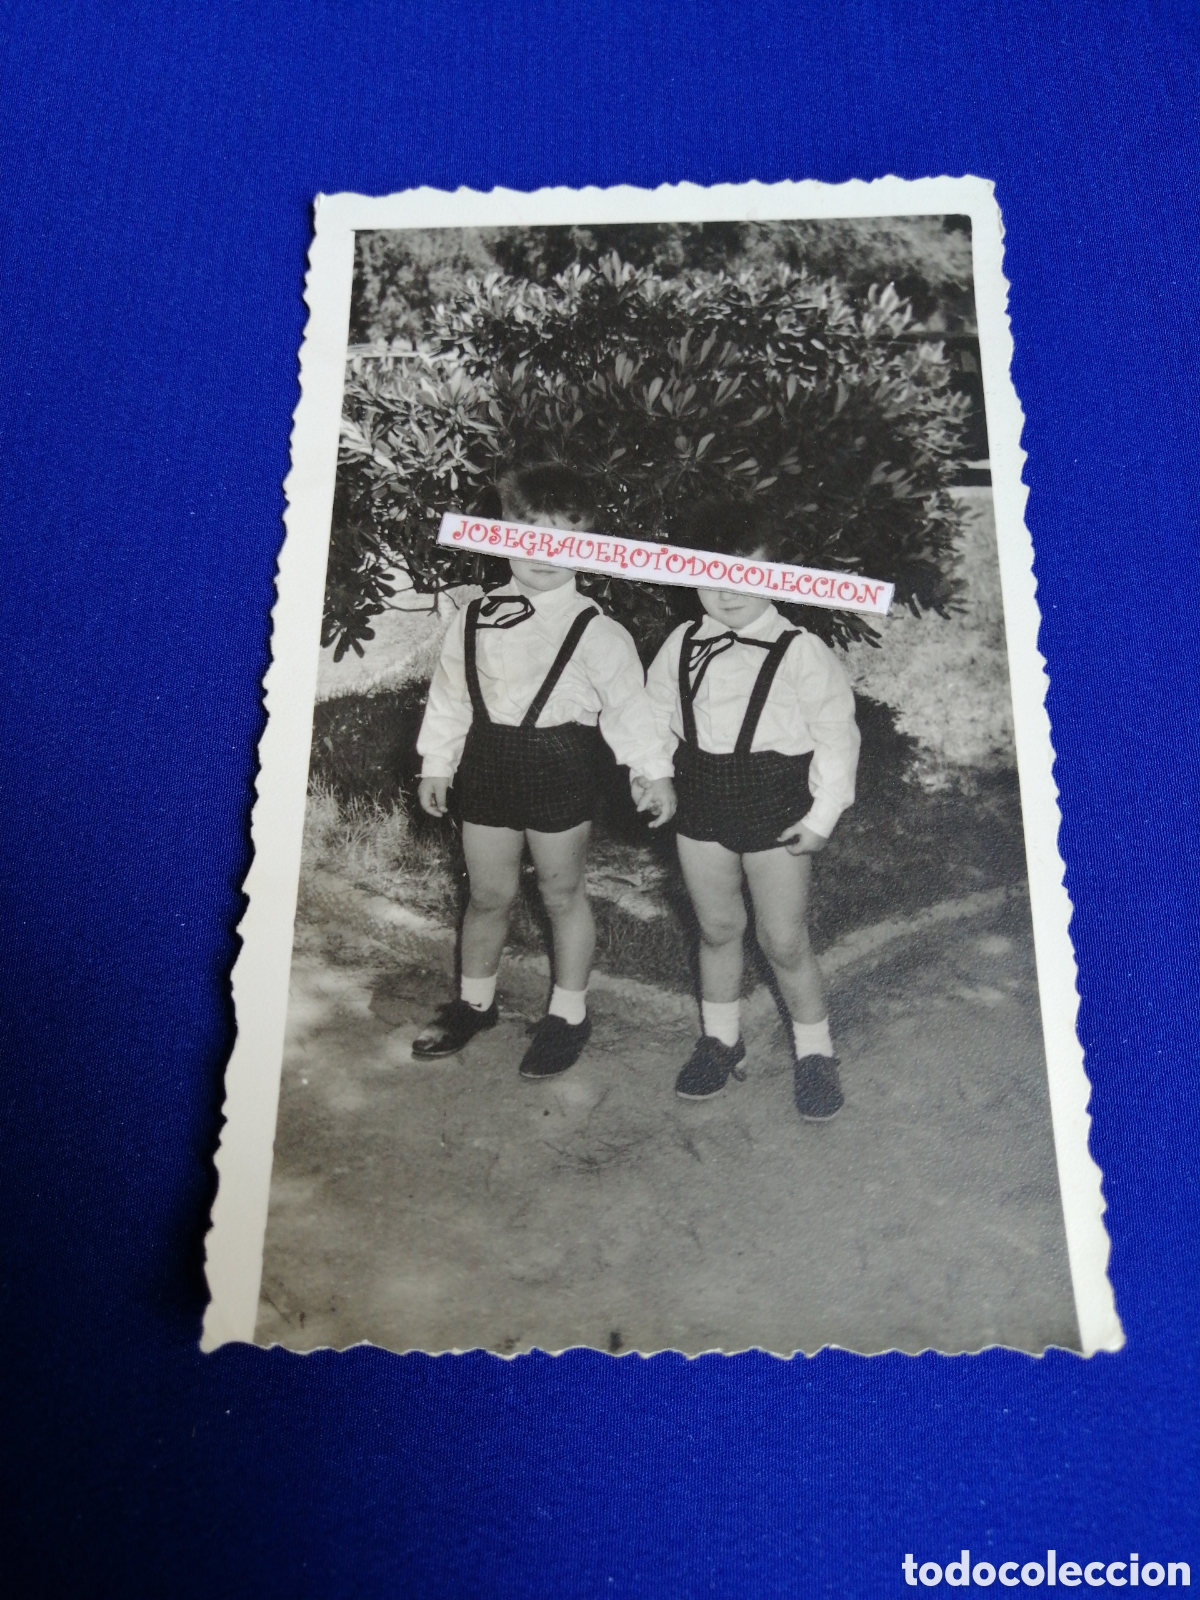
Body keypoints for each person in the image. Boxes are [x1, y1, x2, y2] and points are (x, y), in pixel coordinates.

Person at [414, 463, 677, 1078]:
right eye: (528, 536)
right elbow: (451, 695)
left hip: (560, 767)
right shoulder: (474, 616)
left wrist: (651, 771)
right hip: (487, 764)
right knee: (488, 894)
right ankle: (475, 1004)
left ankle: (568, 1014)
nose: (544, 554)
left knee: (562, 894)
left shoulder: (598, 631)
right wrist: (437, 762)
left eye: (565, 540)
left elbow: (630, 710)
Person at [645, 499, 861, 1119]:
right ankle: (721, 1040)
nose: (727, 592)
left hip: (775, 805)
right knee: (716, 928)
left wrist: (822, 817)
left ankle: (815, 1052)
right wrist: (653, 774)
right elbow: (653, 716)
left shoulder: (801, 650)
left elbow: (837, 737)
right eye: (711, 576)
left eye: (746, 576)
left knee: (784, 939)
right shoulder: (682, 643)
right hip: (701, 800)